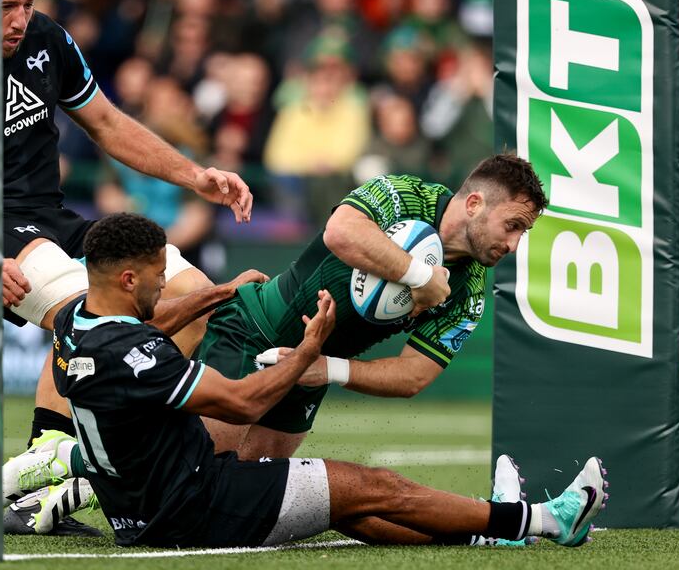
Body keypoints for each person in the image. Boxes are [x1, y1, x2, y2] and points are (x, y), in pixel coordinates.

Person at [7, 212, 607, 548]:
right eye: (162, 274)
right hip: (194, 504)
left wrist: (218, 293)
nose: (170, 283)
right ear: (131, 279)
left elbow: (152, 324)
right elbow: (244, 403)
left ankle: (486, 530)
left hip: (141, 506)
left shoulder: (75, 321)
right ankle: (546, 520)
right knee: (374, 485)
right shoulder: (137, 351)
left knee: (348, 506)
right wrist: (308, 352)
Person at [0, 0, 253, 534]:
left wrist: (194, 176)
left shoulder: (46, 39)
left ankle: (85, 459)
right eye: (4, 7)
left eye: (25, 3)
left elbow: (108, 124)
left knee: (196, 293)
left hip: (53, 216)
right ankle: (55, 480)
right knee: (96, 316)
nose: (19, 20)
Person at [194, 153, 549, 460]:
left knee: (256, 483)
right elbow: (341, 232)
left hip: (311, 374)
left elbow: (413, 375)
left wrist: (328, 369)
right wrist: (420, 277)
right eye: (512, 226)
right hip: (254, 330)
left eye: (523, 233)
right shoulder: (405, 194)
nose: (514, 245)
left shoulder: (469, 291)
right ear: (474, 204)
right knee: (204, 467)